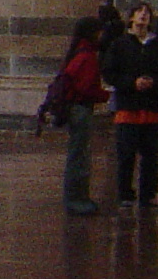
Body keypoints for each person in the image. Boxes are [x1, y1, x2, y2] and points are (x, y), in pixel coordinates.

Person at [103, 1, 158, 208]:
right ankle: (125, 193)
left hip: (152, 106)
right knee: (126, 153)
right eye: (139, 12)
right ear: (131, 17)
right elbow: (110, 73)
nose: (143, 16)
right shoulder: (119, 44)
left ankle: (148, 194)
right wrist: (131, 83)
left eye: (146, 13)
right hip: (128, 105)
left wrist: (155, 83)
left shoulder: (157, 46)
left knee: (151, 155)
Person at [40, 16, 109, 214]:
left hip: (75, 108)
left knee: (78, 153)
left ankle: (77, 197)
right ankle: (77, 199)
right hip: (80, 109)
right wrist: (106, 95)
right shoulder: (87, 56)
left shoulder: (78, 51)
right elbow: (85, 88)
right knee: (80, 155)